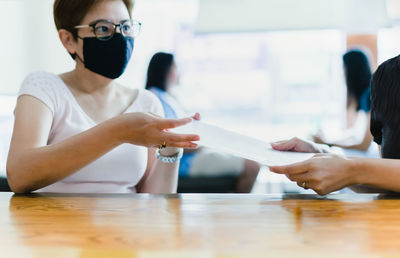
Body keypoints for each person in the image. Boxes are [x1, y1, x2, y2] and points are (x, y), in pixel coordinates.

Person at [6, 0, 200, 194]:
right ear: (68, 40)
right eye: (103, 29)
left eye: (125, 27)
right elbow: (20, 175)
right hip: (53, 223)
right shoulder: (44, 88)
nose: (119, 37)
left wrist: (171, 151)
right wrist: (118, 131)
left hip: (127, 223)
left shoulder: (146, 103)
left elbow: (154, 202)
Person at [269, 54, 400, 196]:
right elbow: (389, 183)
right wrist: (322, 155)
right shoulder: (384, 76)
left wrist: (353, 169)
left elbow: (364, 148)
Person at [146, 52, 260, 193]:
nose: (178, 73)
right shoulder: (155, 99)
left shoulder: (167, 98)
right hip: (185, 162)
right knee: (252, 166)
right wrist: (198, 143)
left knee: (248, 159)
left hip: (191, 154)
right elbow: (163, 142)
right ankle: (236, 214)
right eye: (175, 68)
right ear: (165, 71)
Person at [312, 49, 373, 152]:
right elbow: (355, 136)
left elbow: (364, 146)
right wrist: (327, 141)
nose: (342, 73)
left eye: (343, 68)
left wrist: (327, 143)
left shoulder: (370, 94)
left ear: (351, 70)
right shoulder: (366, 94)